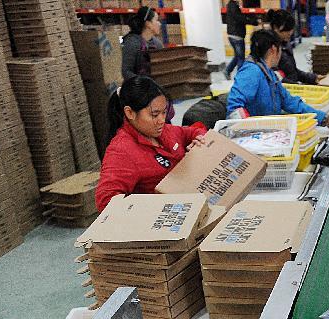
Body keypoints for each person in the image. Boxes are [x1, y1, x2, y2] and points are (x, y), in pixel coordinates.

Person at [95, 76, 206, 212]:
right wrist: (149, 209)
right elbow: (106, 201)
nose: (161, 120)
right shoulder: (122, 151)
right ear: (130, 113)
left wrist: (199, 138)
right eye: (154, 115)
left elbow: (191, 132)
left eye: (164, 112)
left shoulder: (163, 131)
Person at [226, 30, 329, 128]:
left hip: (269, 132)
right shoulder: (251, 72)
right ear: (274, 49)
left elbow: (290, 102)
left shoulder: (269, 74)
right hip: (255, 139)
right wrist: (248, 132)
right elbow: (234, 108)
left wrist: (323, 118)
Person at [265, 9, 321, 84]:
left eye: (291, 29)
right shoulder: (268, 48)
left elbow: (293, 72)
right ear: (276, 28)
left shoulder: (285, 44)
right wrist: (297, 86)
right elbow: (275, 78)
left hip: (292, 89)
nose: (290, 33)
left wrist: (313, 78)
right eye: (287, 30)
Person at [121, 6, 163, 81]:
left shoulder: (158, 44)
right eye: (156, 20)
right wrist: (142, 83)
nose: (159, 23)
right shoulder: (132, 43)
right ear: (148, 24)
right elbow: (126, 71)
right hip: (136, 89)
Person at [225, 0, 246, 79]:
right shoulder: (233, 6)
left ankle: (227, 70)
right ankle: (240, 77)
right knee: (241, 58)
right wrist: (250, 20)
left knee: (237, 56)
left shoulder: (232, 5)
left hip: (234, 35)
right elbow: (239, 18)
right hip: (236, 35)